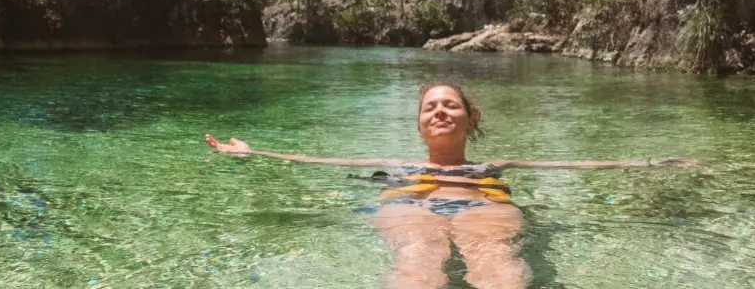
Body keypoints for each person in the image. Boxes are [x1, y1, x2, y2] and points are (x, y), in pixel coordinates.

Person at [205, 83, 698, 289]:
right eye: (430, 108)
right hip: (410, 205)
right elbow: (315, 159)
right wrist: (253, 153)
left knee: (498, 267)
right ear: (420, 125)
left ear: (470, 120)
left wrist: (652, 162)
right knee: (416, 261)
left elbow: (576, 163)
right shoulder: (392, 163)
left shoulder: (493, 165)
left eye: (451, 106)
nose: (440, 111)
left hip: (481, 204)